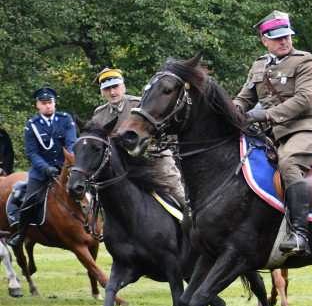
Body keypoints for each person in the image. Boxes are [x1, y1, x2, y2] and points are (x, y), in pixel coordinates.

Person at [234, 10, 312, 257]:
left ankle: (299, 234)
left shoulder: (305, 61)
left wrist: (267, 115)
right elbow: (245, 98)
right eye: (277, 38)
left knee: (288, 165)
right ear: (264, 40)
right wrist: (231, 111)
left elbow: (305, 98)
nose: (284, 41)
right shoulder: (259, 65)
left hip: (304, 128)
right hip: (271, 134)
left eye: (287, 36)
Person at [93, 68, 187, 209]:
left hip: (153, 159)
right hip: (122, 168)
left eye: (115, 87)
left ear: (123, 87)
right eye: (107, 89)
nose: (112, 92)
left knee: (177, 192)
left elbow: (165, 133)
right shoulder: (99, 115)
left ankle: (195, 224)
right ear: (102, 92)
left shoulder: (139, 105)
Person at [8, 87, 78, 247]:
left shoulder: (66, 119)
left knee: (87, 193)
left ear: (54, 103)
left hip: (66, 169)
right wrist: (45, 168)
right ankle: (21, 234)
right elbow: (32, 153)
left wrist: (68, 164)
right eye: (44, 103)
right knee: (30, 201)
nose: (48, 106)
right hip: (41, 173)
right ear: (37, 105)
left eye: (50, 102)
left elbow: (71, 143)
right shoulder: (31, 125)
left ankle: (95, 227)